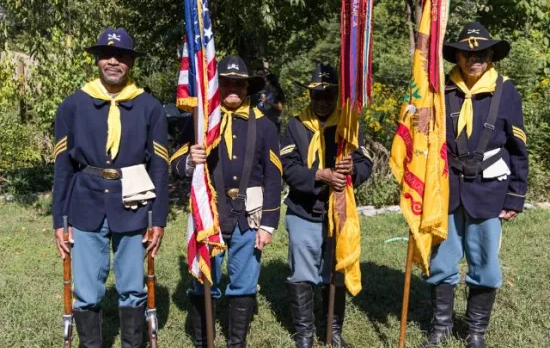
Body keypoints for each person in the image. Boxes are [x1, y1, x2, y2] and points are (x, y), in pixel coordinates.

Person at [52, 27, 169, 348]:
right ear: (97, 61)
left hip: (135, 197)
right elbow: (62, 168)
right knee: (87, 289)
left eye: (121, 56)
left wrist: (158, 219)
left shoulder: (149, 107)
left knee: (133, 286)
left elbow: (159, 167)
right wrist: (59, 221)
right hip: (85, 200)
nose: (113, 62)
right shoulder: (73, 105)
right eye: (107, 56)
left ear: (131, 62)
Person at [418, 22, 528, 348]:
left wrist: (515, 196)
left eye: (480, 53)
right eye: (467, 54)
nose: (473, 60)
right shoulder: (441, 90)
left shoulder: (506, 91)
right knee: (441, 261)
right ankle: (440, 329)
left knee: (486, 265)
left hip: (489, 191)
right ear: (458, 57)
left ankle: (476, 332)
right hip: (447, 189)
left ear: (490, 55)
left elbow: (517, 147)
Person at [171, 55, 282, 348]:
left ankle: (236, 343)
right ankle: (203, 340)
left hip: (250, 216)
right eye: (227, 82)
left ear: (247, 88)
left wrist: (268, 224)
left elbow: (273, 177)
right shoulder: (200, 123)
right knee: (203, 279)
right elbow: (175, 160)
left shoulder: (266, 125)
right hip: (210, 215)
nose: (233, 87)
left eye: (239, 83)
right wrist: (189, 162)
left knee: (244, 282)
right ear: (218, 86)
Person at [280, 64, 373, 348]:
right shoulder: (295, 126)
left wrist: (351, 171)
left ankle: (332, 331)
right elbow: (287, 167)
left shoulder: (348, 125)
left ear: (337, 96)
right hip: (304, 209)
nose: (322, 101)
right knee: (303, 274)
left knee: (335, 271)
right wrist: (319, 175)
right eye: (317, 95)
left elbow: (365, 162)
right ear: (310, 95)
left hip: (338, 211)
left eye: (329, 95)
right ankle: (305, 335)